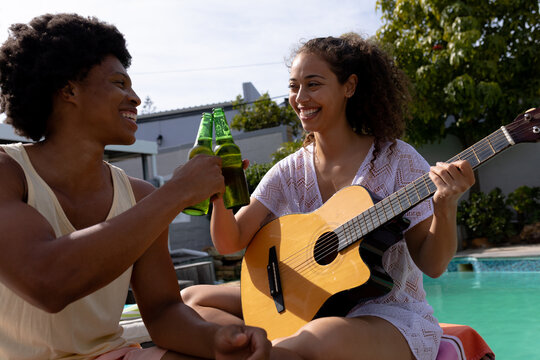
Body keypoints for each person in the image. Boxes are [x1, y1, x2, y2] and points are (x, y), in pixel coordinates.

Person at [181, 33, 476, 360]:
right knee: (190, 299)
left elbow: (433, 265)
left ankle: (254, 347)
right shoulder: (288, 171)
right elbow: (230, 241)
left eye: (313, 84)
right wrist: (217, 196)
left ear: (349, 87)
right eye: (294, 86)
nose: (300, 97)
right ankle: (257, 344)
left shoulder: (397, 161)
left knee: (316, 337)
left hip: (386, 316)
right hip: (304, 305)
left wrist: (445, 207)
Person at [0, 13, 270, 360]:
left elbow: (162, 311)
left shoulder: (140, 196)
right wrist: (177, 192)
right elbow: (48, 282)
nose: (136, 98)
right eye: (119, 83)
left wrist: (216, 339)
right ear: (69, 90)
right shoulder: (8, 171)